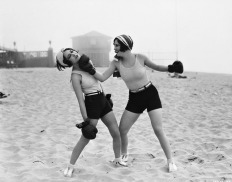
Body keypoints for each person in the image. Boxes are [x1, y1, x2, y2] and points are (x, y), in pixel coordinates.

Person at [79, 35, 183, 172]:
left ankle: (170, 161)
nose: (114, 48)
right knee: (122, 129)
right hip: (135, 98)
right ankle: (124, 155)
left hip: (150, 94)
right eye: (114, 45)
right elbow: (103, 77)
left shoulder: (140, 57)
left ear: (125, 45)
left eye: (116, 45)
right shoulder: (116, 62)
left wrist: (171, 68)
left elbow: (156, 66)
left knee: (158, 129)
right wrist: (90, 70)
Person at [56, 48, 127, 177]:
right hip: (92, 103)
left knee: (116, 132)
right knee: (86, 137)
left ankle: (117, 159)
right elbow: (80, 100)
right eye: (69, 56)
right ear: (67, 62)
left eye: (72, 52)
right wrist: (85, 120)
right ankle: (70, 166)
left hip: (102, 100)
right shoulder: (75, 76)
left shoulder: (88, 64)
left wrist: (105, 98)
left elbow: (100, 80)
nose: (74, 54)